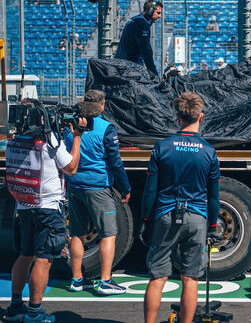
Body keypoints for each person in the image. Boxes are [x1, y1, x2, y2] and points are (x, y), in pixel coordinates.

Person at [142, 92, 221, 323]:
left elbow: (150, 191)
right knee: (190, 278)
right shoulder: (208, 151)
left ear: (178, 117)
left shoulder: (162, 147)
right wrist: (213, 225)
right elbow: (214, 196)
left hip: (166, 214)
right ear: (201, 117)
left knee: (157, 277)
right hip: (197, 217)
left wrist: (146, 220)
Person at [3, 100, 85, 323]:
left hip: (25, 205)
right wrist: (77, 137)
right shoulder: (50, 142)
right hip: (48, 208)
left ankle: (15, 306)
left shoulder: (13, 141)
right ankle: (34, 312)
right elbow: (72, 168)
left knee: (25, 255)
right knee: (43, 260)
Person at [66, 90, 132, 296]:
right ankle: (105, 281)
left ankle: (76, 279)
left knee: (77, 234)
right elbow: (115, 162)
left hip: (74, 185)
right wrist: (125, 188)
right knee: (109, 234)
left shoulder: (70, 125)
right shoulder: (106, 128)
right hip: (98, 188)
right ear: (102, 105)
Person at [115, 0, 163, 76]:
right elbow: (146, 50)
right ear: (150, 11)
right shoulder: (141, 23)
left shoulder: (136, 19)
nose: (160, 16)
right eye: (158, 13)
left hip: (125, 63)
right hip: (129, 66)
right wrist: (154, 74)